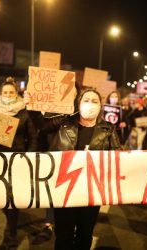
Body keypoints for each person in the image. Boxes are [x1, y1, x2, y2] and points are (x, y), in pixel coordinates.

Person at [41, 88, 121, 250]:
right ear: (78, 104)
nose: (90, 104)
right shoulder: (64, 124)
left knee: (85, 235)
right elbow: (41, 128)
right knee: (63, 235)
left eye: (95, 101)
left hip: (91, 192)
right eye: (86, 100)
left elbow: (118, 158)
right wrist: (32, 105)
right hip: (64, 190)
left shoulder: (108, 129)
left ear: (100, 106)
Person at [0, 77, 37, 248]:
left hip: (17, 160)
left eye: (11, 92)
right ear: (0, 94)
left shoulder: (24, 112)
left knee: (12, 199)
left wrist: (28, 157)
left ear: (16, 93)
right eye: (5, 92)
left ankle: (11, 234)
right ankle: (9, 223)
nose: (8, 95)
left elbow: (33, 137)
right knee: (2, 197)